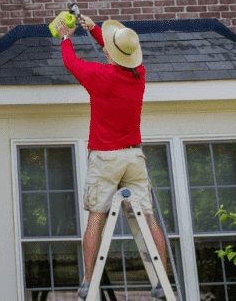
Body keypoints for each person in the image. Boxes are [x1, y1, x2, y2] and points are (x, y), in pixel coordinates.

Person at [54, 16, 170, 300]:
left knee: (97, 215)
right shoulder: (138, 75)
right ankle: (161, 280)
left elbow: (71, 63)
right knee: (148, 217)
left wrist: (65, 37)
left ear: (109, 53)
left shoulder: (101, 77)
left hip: (105, 159)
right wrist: (93, 29)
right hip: (133, 157)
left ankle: (88, 279)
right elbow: (117, 51)